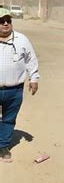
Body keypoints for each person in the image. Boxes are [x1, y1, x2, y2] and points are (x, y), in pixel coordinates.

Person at [0, 9, 39, 161]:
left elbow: (31, 60)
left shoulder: (21, 39)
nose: (5, 23)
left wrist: (34, 78)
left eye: (8, 20)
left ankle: (3, 146)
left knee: (9, 119)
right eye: (1, 20)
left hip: (14, 90)